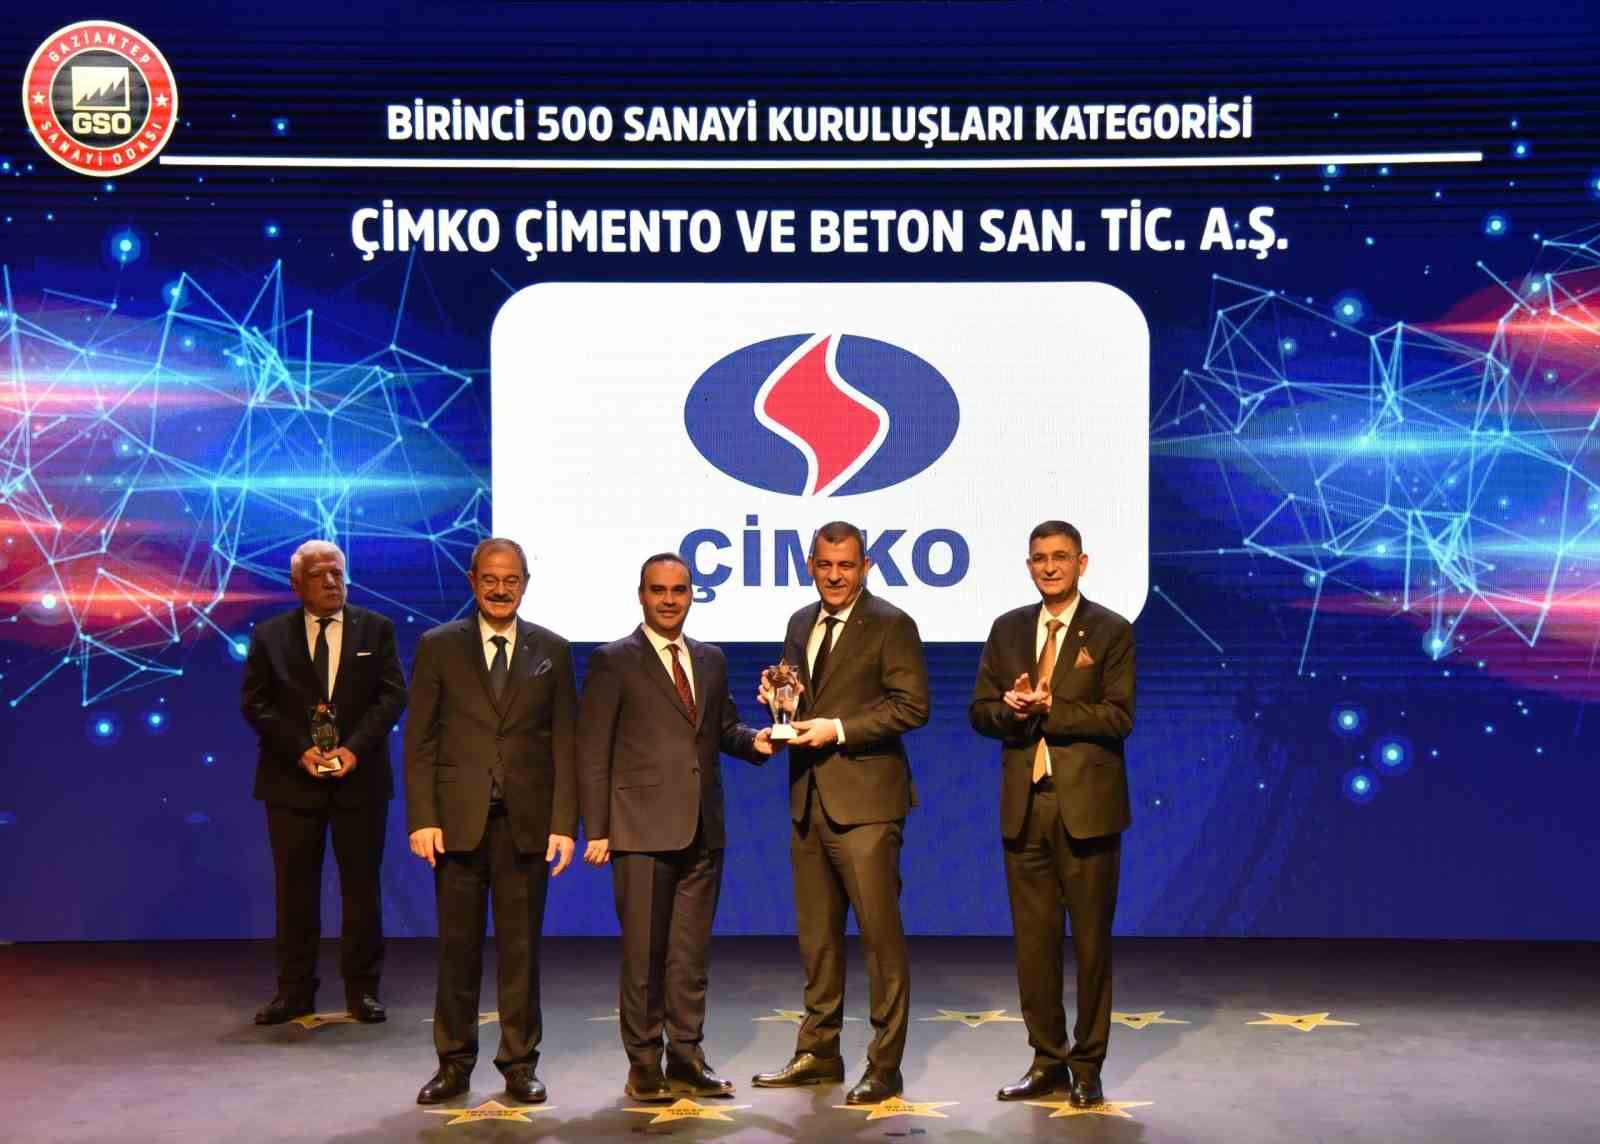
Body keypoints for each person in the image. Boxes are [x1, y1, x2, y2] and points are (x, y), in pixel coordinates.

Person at [577, 553, 774, 1102]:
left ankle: (686, 1057)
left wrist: (758, 741)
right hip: (638, 830)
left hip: (702, 829)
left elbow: (723, 728)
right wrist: (597, 828)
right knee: (644, 956)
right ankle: (644, 1064)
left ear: (692, 595)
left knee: (689, 956)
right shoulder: (613, 660)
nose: (669, 600)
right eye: (658, 590)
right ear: (641, 595)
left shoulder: (710, 659)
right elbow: (592, 749)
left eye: (679, 590)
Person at [751, 521, 929, 1106]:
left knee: (880, 941)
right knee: (818, 940)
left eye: (846, 566)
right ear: (810, 564)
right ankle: (819, 1052)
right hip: (808, 799)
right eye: (825, 565)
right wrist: (778, 700)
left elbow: (912, 707)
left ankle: (885, 1065)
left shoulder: (892, 624)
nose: (834, 576)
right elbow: (798, 700)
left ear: (865, 567)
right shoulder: (799, 622)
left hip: (868, 805)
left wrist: (839, 729)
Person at [404, 537, 578, 1105]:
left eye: (511, 580)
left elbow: (565, 742)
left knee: (520, 954)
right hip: (457, 825)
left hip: (526, 826)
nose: (501, 590)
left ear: (524, 584)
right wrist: (423, 817)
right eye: (490, 579)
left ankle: (520, 1064)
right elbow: (420, 740)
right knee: (457, 952)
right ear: (472, 581)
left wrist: (563, 823)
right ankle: (453, 1064)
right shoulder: (438, 646)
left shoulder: (552, 649)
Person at [968, 520, 1135, 1109]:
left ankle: (1086, 1066)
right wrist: (1013, 710)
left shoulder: (1111, 630)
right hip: (1025, 808)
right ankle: (1046, 1060)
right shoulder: (1008, 629)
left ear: (1081, 563)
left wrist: (1051, 707)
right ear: (1028, 565)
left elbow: (1119, 717)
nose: (1050, 567)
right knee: (1034, 947)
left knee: (1090, 947)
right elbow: (979, 712)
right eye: (1039, 558)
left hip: (1087, 811)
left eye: (1060, 557)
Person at [241, 539, 407, 1026]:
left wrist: (354, 749)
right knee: (295, 891)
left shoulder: (376, 628)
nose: (332, 582)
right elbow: (255, 703)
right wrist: (300, 749)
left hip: (361, 780)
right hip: (291, 782)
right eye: (319, 575)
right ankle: (294, 992)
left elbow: (392, 696)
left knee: (362, 890)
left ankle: (363, 991)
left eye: (338, 572)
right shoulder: (269, 635)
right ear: (297, 584)